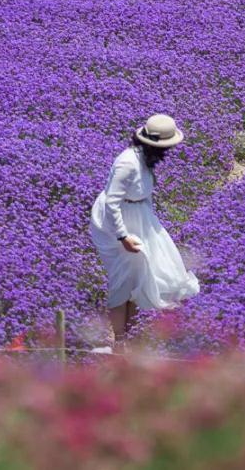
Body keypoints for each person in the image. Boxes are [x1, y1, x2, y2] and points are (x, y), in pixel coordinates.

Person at [89, 114, 199, 351]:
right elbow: (112, 202)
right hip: (114, 224)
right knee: (123, 280)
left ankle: (128, 337)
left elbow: (143, 197)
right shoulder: (127, 163)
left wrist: (152, 230)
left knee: (140, 277)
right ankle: (119, 342)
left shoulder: (145, 160)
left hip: (138, 220)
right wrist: (123, 236)